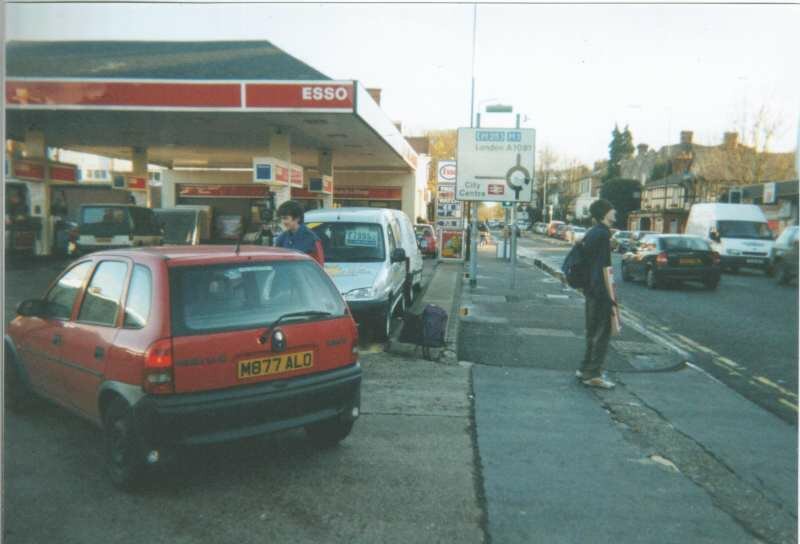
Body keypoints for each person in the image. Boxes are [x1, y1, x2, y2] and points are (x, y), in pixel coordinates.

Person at [576, 199, 617, 389]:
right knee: (602, 332)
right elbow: (601, 268)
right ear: (604, 213)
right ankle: (593, 374)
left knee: (592, 331)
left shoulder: (593, 232)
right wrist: (608, 296)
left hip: (591, 289)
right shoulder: (602, 235)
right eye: (611, 209)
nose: (614, 211)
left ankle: (584, 368)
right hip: (599, 290)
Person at [274, 200, 324, 265]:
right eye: (281, 219)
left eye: (285, 218)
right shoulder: (281, 238)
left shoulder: (312, 239)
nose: (283, 222)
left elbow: (319, 266)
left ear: (297, 218)